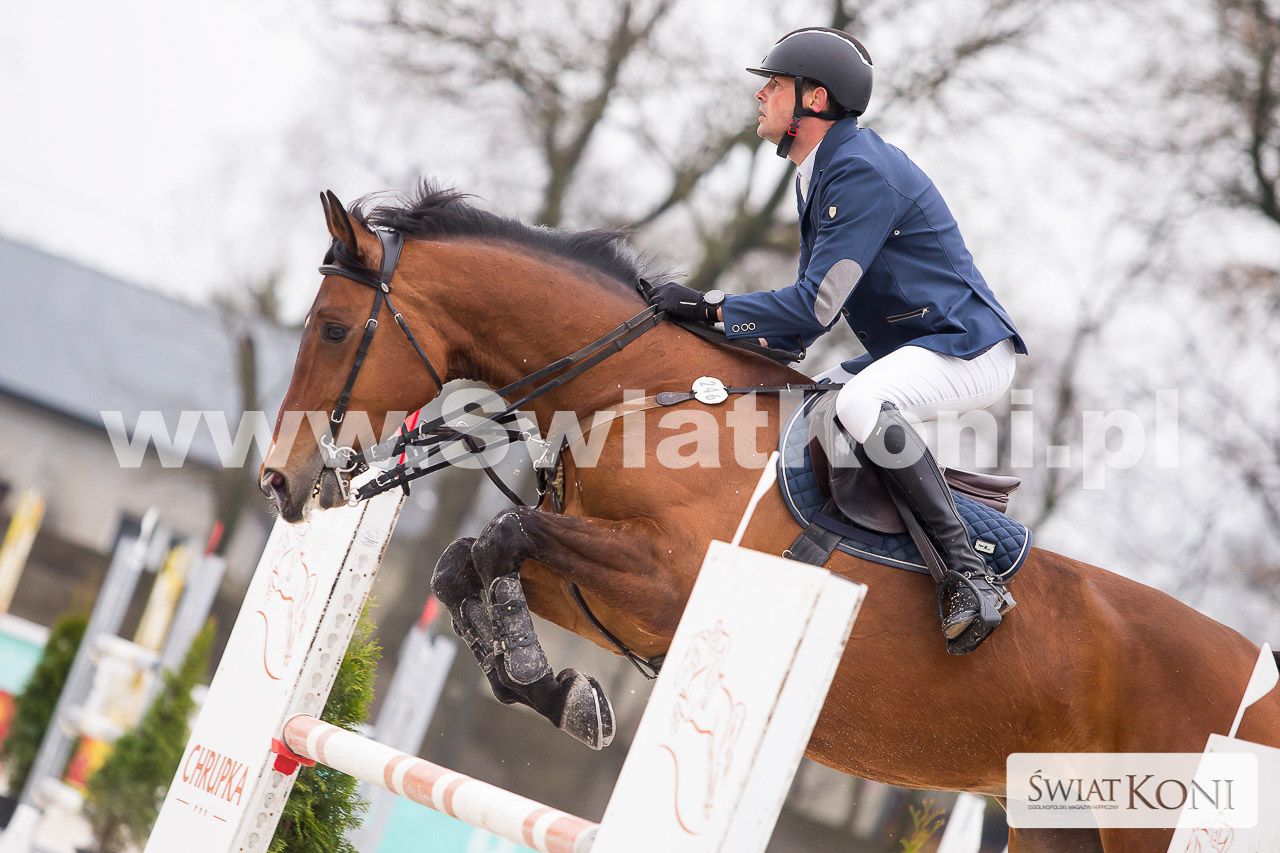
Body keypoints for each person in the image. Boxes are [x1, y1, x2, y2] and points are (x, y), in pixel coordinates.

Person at [648, 27, 1028, 655]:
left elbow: (814, 307)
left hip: (966, 348)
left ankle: (969, 575)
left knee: (859, 404)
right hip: (912, 348)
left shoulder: (859, 171)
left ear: (815, 99)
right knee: (811, 408)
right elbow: (804, 321)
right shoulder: (819, 171)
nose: (761, 95)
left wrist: (709, 305)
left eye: (775, 84)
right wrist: (706, 325)